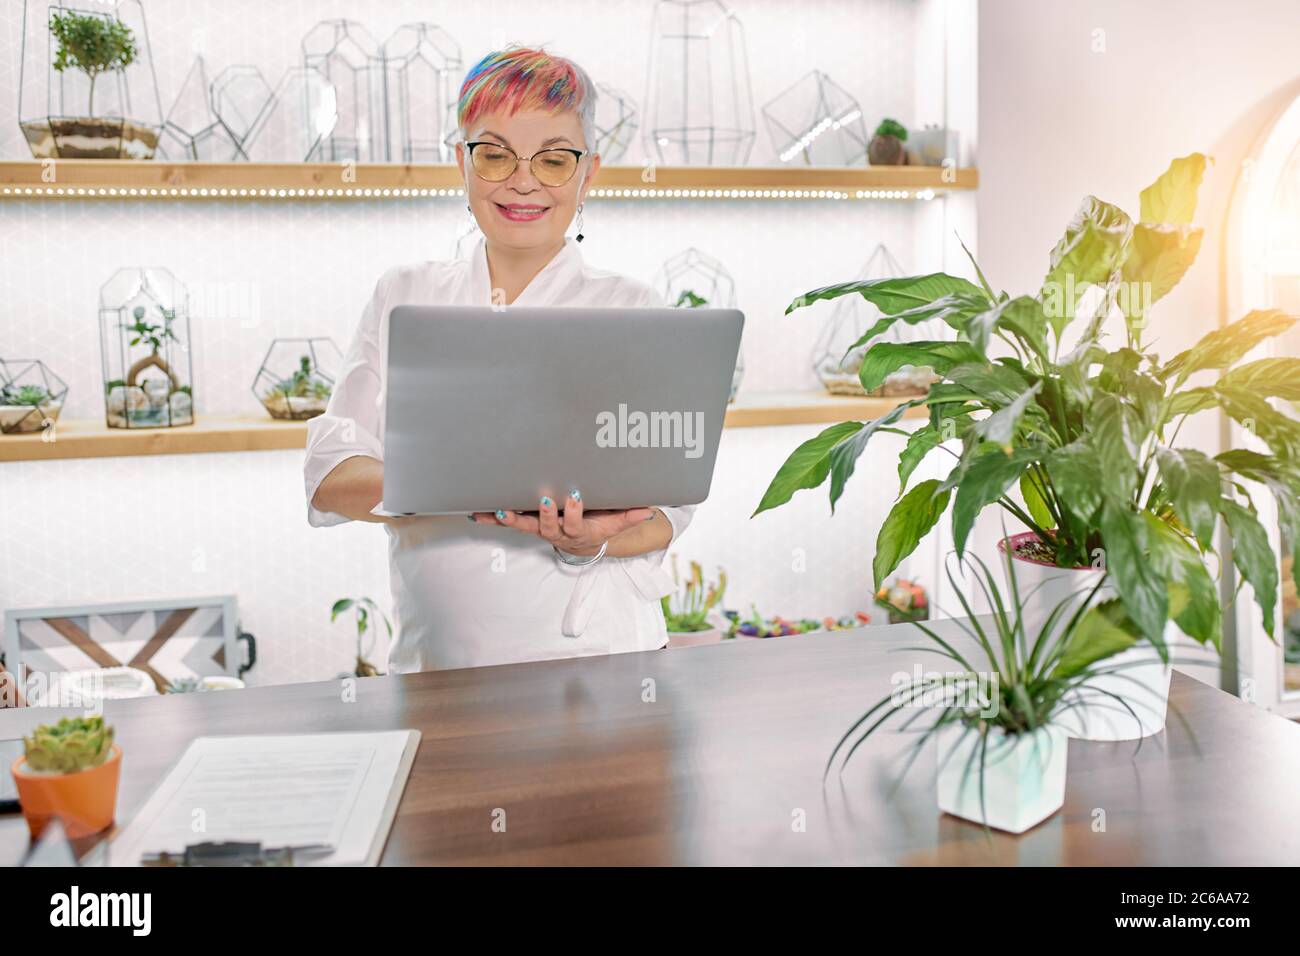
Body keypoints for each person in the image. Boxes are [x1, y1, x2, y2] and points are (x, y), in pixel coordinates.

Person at [305, 46, 695, 672]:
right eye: (495, 153)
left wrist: (587, 539)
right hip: (438, 664)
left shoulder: (631, 307)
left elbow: (666, 512)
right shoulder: (403, 294)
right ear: (460, 161)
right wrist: (472, 475)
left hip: (603, 661)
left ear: (587, 173)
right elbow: (330, 478)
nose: (523, 180)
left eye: (554, 159)